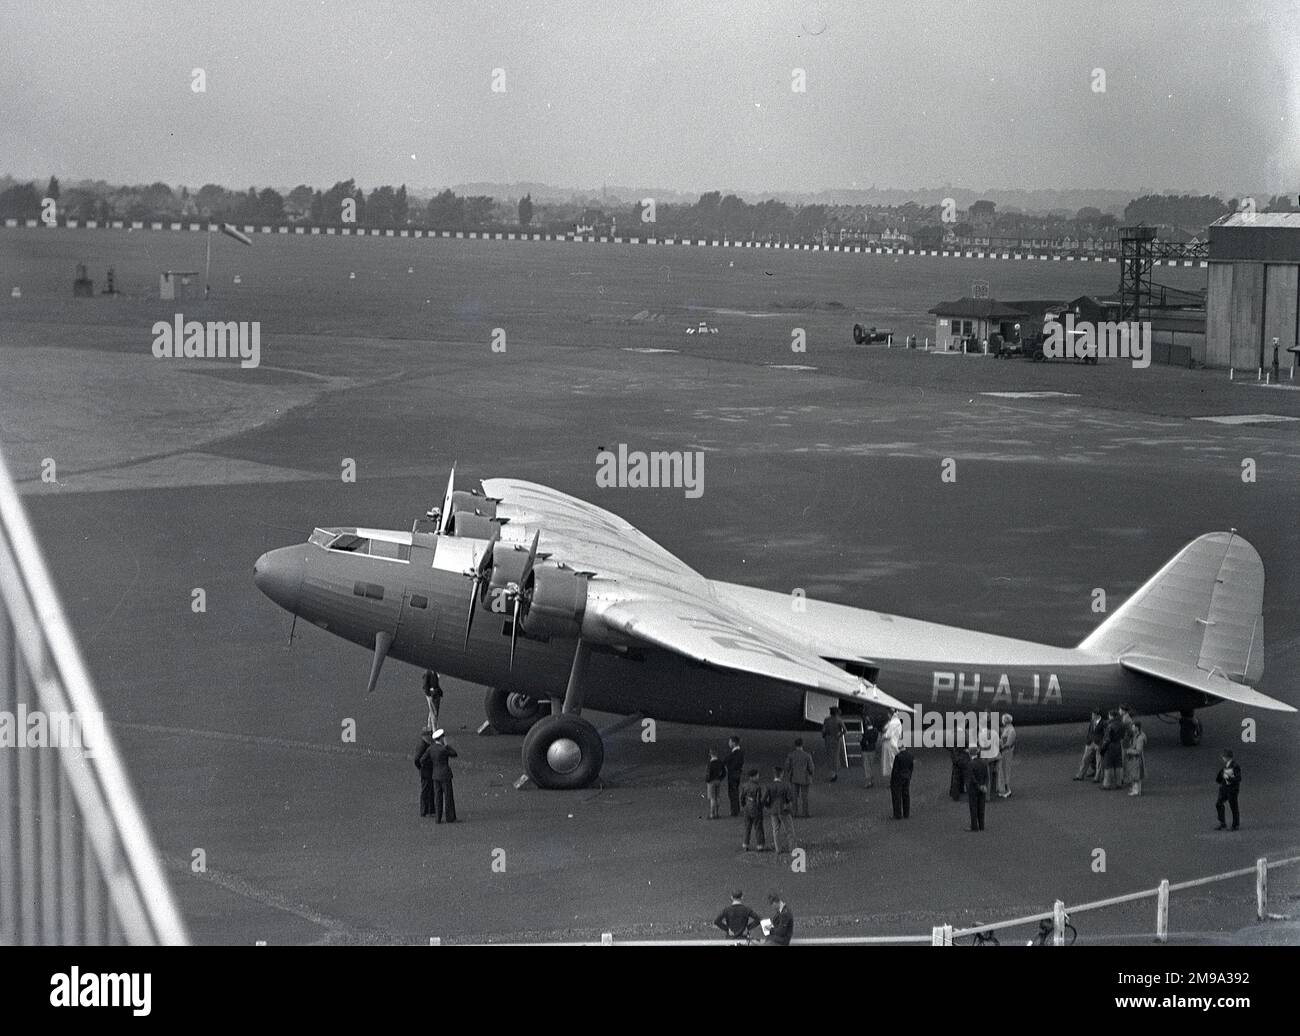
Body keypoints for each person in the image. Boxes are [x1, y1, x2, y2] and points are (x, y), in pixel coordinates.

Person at [422, 728, 458, 822]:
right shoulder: (443, 749)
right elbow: (454, 754)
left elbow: (423, 760)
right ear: (441, 738)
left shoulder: (431, 748)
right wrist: (447, 745)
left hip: (435, 775)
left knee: (437, 797)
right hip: (445, 775)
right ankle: (450, 817)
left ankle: (438, 818)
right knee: (448, 797)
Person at [766, 766, 796, 853]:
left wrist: (769, 806)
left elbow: (764, 800)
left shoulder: (769, 785)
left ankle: (778, 849)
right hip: (784, 810)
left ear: (774, 774)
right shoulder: (785, 785)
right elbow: (790, 798)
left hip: (773, 811)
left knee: (775, 830)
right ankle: (792, 848)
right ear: (782, 774)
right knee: (789, 830)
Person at [784, 738, 814, 818]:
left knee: (794, 796)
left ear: (795, 745)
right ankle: (805, 813)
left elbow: (787, 766)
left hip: (794, 778)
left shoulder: (791, 755)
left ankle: (794, 813)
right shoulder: (807, 755)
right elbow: (811, 768)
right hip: (805, 778)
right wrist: (810, 774)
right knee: (805, 797)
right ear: (802, 745)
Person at [740, 768, 767, 851]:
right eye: (757, 775)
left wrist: (743, 805)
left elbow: (742, 797)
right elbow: (759, 800)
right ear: (753, 776)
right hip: (755, 807)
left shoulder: (744, 785)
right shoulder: (757, 787)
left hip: (747, 807)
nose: (758, 777)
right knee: (758, 827)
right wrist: (761, 807)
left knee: (747, 827)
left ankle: (745, 844)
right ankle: (760, 845)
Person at [1074, 710, 1104, 781]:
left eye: (1093, 715)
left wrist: (1101, 742)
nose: (1092, 716)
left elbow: (1105, 734)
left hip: (1098, 744)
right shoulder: (1092, 721)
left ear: (1097, 715)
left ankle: (1097, 777)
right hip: (1090, 743)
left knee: (1099, 761)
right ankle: (1080, 775)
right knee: (1085, 759)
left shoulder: (1103, 723)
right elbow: (1090, 731)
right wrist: (1088, 739)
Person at [1215, 750, 1241, 830]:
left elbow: (1238, 778)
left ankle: (1235, 825)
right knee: (1219, 803)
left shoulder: (1235, 766)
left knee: (1233, 807)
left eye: (1223, 757)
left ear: (1226, 757)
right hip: (1224, 788)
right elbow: (1220, 777)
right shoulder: (1226, 765)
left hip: (1232, 789)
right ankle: (1222, 822)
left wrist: (1228, 778)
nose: (1222, 758)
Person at [1100, 709, 1124, 790]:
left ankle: (1106, 785)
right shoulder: (1121, 724)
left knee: (1108, 766)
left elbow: (1107, 739)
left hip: (1110, 747)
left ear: (1111, 716)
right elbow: (1123, 735)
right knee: (1118, 765)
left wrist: (1102, 748)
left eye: (1109, 715)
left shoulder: (1110, 726)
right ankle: (1119, 783)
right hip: (1118, 745)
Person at [414, 727, 436, 817]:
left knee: (430, 790)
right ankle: (424, 810)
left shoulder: (426, 743)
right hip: (426, 771)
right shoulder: (423, 745)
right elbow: (416, 759)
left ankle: (430, 809)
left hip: (428, 771)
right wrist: (421, 768)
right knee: (426, 791)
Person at [821, 707, 847, 781]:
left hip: (828, 738)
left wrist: (824, 736)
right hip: (836, 738)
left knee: (829, 755)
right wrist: (839, 735)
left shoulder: (827, 720)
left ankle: (832, 772)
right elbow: (844, 730)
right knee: (835, 755)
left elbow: (823, 730)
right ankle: (834, 772)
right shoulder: (839, 720)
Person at [890, 746, 914, 819]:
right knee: (906, 795)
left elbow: (895, 770)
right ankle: (906, 813)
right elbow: (911, 767)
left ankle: (897, 814)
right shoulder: (910, 756)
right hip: (907, 777)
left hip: (898, 778)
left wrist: (892, 780)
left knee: (897, 796)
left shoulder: (898, 757)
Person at [967, 750, 989, 831]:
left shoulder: (970, 764)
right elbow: (987, 776)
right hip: (983, 788)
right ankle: (981, 826)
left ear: (970, 754)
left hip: (974, 789)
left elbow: (972, 778)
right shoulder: (983, 763)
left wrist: (978, 786)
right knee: (981, 808)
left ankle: (974, 826)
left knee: (973, 808)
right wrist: (984, 785)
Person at [724, 736, 745, 818]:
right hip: (737, 774)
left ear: (733, 743)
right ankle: (736, 809)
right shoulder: (740, 752)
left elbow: (727, 761)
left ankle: (734, 810)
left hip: (733, 774)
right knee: (735, 791)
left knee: (732, 792)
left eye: (730, 742)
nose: (729, 743)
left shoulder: (734, 754)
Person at [996, 714, 1016, 798]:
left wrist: (1000, 746)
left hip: (1006, 753)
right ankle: (1003, 789)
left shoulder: (1011, 731)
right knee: (1002, 770)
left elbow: (1008, 743)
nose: (1002, 721)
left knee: (1005, 770)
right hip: (1004, 752)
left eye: (1003, 720)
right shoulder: (1007, 729)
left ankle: (1007, 789)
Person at [1126, 721, 1147, 797]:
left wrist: (1129, 751)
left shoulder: (1140, 738)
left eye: (1133, 727)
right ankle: (1136, 790)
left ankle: (1136, 791)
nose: (1132, 728)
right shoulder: (1137, 735)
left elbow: (1138, 751)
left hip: (1136, 759)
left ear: (1137, 728)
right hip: (1134, 759)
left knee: (1136, 776)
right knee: (1135, 775)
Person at [880, 710, 903, 779]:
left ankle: (894, 780)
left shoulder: (893, 723)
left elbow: (888, 734)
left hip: (890, 744)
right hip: (894, 742)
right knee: (893, 762)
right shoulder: (896, 722)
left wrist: (882, 736)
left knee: (891, 763)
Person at [705, 749, 726, 819]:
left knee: (712, 798)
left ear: (710, 754)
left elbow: (708, 773)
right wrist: (720, 778)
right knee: (717, 797)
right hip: (718, 780)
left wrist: (707, 780)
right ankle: (717, 813)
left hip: (711, 782)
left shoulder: (710, 763)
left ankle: (712, 814)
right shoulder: (720, 762)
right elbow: (724, 772)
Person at [860, 717, 880, 787]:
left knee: (866, 766)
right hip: (873, 749)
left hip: (865, 750)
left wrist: (861, 740)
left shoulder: (866, 732)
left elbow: (863, 741)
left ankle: (868, 781)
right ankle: (871, 779)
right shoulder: (875, 731)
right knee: (871, 765)